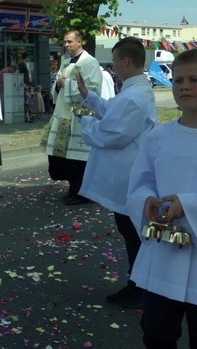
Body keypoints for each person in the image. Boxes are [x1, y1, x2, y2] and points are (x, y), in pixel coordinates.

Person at [76, 37, 157, 309]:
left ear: (125, 61)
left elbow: (112, 133)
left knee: (133, 231)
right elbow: (112, 111)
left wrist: (85, 119)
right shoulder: (135, 91)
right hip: (130, 171)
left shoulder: (134, 96)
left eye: (114, 61)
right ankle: (140, 283)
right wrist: (91, 98)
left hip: (129, 174)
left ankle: (140, 286)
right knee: (130, 230)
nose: (113, 67)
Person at [126, 49, 197, 347]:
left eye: (194, 79)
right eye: (178, 79)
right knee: (156, 332)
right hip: (165, 255)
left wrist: (189, 203)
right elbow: (141, 183)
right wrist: (146, 202)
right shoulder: (158, 137)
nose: (184, 86)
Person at [44, 30, 102, 205]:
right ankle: (73, 189)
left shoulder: (90, 62)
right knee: (65, 158)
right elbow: (57, 84)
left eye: (70, 42)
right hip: (63, 114)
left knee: (78, 159)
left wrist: (66, 83)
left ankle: (83, 193)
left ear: (79, 42)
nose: (67, 45)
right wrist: (59, 84)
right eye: (65, 42)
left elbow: (92, 88)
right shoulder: (66, 61)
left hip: (79, 117)